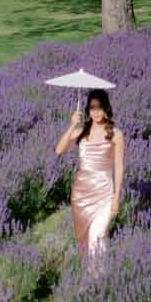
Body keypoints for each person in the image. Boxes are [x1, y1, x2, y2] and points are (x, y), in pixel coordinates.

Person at [55, 90, 124, 263]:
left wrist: (116, 198)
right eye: (92, 108)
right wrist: (72, 125)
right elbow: (59, 149)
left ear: (106, 108)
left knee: (97, 235)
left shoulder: (116, 134)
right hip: (81, 194)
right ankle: (91, 280)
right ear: (87, 110)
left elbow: (119, 167)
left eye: (99, 107)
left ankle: (97, 282)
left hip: (104, 193)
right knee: (84, 241)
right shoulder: (81, 132)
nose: (96, 112)